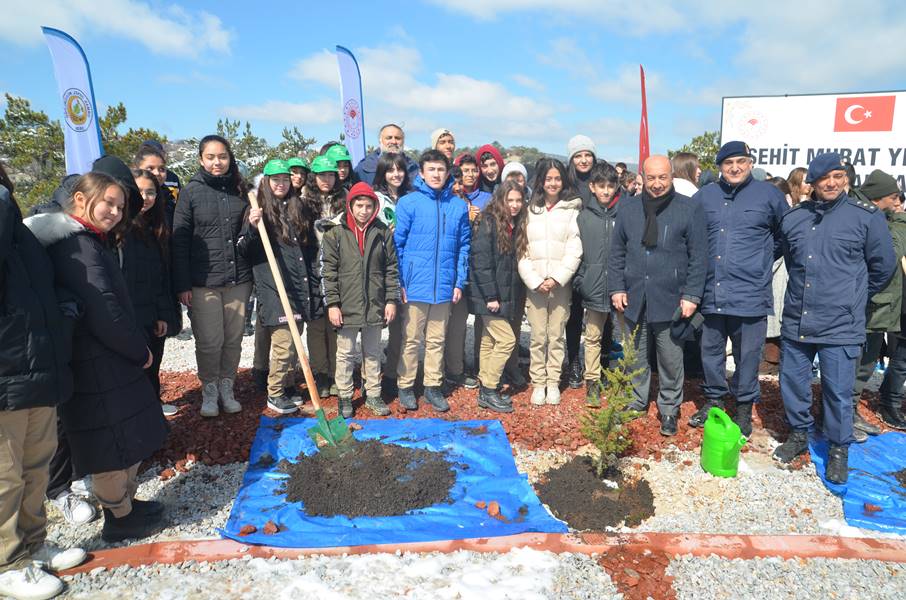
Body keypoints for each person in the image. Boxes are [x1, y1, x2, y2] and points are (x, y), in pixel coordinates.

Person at [25, 172, 169, 543]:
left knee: (126, 433)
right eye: (108, 202)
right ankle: (118, 517)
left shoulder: (88, 239)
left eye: (120, 207)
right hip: (95, 361)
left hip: (106, 357)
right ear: (79, 199)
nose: (115, 212)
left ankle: (128, 503)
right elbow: (103, 307)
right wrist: (139, 351)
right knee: (110, 442)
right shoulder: (76, 246)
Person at [773, 153, 895, 484]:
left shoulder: (865, 218)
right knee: (794, 383)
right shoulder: (795, 218)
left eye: (838, 176)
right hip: (798, 319)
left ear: (845, 179)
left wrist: (853, 296)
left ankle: (839, 449)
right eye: (824, 177)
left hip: (841, 323)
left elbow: (883, 266)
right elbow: (787, 254)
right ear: (811, 182)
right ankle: (799, 434)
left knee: (838, 391)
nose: (831, 183)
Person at [0, 165, 88, 600]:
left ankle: (34, 544)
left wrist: (64, 310)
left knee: (35, 464)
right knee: (4, 473)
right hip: (4, 367)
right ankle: (7, 562)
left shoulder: (15, 222)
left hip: (35, 362)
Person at [687, 141, 788, 437]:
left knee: (747, 355)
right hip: (712, 291)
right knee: (711, 351)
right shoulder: (705, 196)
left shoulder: (769, 195)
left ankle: (743, 408)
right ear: (719, 166)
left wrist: (760, 259)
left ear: (750, 162)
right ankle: (714, 400)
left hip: (750, 293)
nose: (734, 168)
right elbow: (693, 238)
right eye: (728, 163)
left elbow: (784, 236)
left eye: (741, 161)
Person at [608, 155, 708, 436]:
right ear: (643, 177)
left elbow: (699, 257)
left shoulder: (688, 209)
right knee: (636, 355)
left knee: (670, 358)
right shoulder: (628, 209)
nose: (656, 183)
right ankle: (637, 401)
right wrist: (616, 287)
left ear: (671, 177)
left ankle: (668, 408)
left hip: (672, 297)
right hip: (634, 296)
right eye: (650, 178)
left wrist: (691, 295)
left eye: (662, 177)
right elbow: (616, 252)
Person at [172, 135, 252, 417]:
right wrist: (182, 284)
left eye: (222, 157)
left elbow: (247, 235)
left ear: (230, 158)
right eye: (211, 157)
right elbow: (179, 240)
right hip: (203, 281)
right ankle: (209, 389)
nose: (217, 162)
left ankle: (226, 387)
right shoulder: (191, 192)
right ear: (201, 159)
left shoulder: (241, 190)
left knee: (233, 338)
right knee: (208, 340)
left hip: (238, 279)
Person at [239, 160, 322, 414]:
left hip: (298, 286)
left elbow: (307, 250)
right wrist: (253, 228)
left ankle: (287, 386)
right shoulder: (257, 211)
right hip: (274, 287)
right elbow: (243, 249)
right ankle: (274, 392)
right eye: (275, 180)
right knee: (285, 343)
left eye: (285, 179)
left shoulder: (298, 208)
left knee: (295, 343)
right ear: (266, 182)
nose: (281, 184)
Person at [394, 150, 471, 412]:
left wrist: (459, 282)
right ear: (422, 173)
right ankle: (405, 386)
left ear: (447, 172)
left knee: (437, 339)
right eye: (431, 169)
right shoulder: (409, 203)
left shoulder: (458, 206)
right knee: (412, 338)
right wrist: (401, 282)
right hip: (416, 283)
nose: (436, 174)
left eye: (441, 169)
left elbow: (463, 247)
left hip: (445, 284)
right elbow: (398, 245)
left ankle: (432, 386)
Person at [321, 182, 399, 417]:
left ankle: (373, 393)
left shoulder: (382, 231)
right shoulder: (335, 233)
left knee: (372, 351)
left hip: (375, 302)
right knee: (345, 353)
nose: (364, 210)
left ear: (375, 207)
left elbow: (392, 269)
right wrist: (333, 304)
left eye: (368, 205)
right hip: (347, 304)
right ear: (350, 205)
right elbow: (328, 271)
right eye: (359, 205)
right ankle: (345, 396)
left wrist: (391, 300)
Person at [518, 158, 583, 406]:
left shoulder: (571, 211)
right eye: (548, 179)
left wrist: (557, 278)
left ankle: (553, 381)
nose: (553, 183)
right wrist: (535, 280)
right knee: (537, 335)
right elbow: (522, 250)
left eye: (557, 178)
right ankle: (538, 382)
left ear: (563, 181)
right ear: (541, 182)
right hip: (535, 284)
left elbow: (574, 248)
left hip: (560, 284)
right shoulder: (529, 211)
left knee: (556, 335)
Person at [849, 170, 906, 439]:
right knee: (857, 363)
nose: (896, 202)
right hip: (871, 304)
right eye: (893, 197)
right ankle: (841, 417)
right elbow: (887, 257)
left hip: (877, 303)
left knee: (865, 362)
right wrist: (900, 221)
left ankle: (847, 412)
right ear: (880, 196)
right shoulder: (873, 219)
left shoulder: (876, 216)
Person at [123, 169, 180, 416]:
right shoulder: (120, 228)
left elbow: (160, 276)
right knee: (133, 369)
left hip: (152, 310)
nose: (145, 198)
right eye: (139, 192)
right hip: (129, 313)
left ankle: (152, 410)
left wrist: (163, 315)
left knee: (153, 365)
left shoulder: (157, 227)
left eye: (151, 192)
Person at [468, 181, 527, 413]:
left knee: (489, 342)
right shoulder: (488, 222)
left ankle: (485, 388)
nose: (514, 205)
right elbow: (481, 263)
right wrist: (491, 295)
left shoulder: (515, 224)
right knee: (506, 341)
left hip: (505, 293)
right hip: (489, 295)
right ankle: (490, 388)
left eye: (518, 200)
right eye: (509, 200)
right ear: (500, 199)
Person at [574, 162, 621, 402]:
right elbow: (576, 251)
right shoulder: (583, 217)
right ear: (592, 187)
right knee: (592, 335)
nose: (605, 191)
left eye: (610, 186)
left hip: (619, 287)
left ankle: (621, 379)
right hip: (592, 286)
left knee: (625, 336)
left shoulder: (623, 215)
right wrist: (582, 279)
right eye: (601, 186)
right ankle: (591, 380)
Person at [445, 153, 492, 390]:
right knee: (456, 322)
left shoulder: (486, 198)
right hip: (455, 268)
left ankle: (481, 366)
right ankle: (454, 367)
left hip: (480, 268)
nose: (470, 175)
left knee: (483, 319)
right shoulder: (450, 201)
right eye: (465, 171)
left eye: (474, 170)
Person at [565, 135, 598, 389]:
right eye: (578, 155)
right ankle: (574, 360)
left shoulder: (602, 182)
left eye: (587, 154)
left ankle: (601, 363)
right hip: (574, 256)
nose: (583, 159)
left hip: (598, 256)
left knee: (600, 312)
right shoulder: (567, 186)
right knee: (574, 313)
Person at [353, 124, 419, 185]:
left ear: (403, 141)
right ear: (380, 140)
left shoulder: (414, 168)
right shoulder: (363, 169)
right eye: (389, 138)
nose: (393, 142)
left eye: (397, 138)